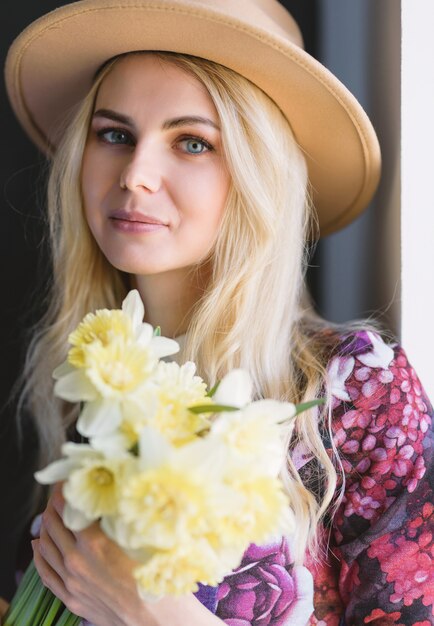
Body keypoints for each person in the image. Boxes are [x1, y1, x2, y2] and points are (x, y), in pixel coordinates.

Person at [3, 1, 433, 625]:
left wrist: (156, 614)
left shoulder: (354, 391)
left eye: (193, 142)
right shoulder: (86, 387)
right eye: (115, 134)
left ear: (258, 177)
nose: (136, 175)